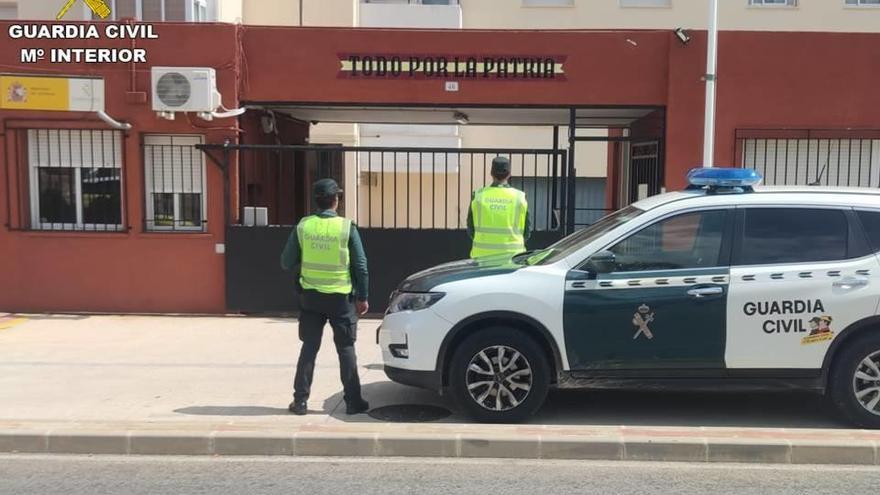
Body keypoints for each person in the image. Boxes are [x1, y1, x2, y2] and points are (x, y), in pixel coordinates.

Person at [280, 178, 370, 416]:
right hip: (341, 299)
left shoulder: (303, 226)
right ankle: (353, 401)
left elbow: (286, 261)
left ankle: (300, 402)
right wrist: (363, 297)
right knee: (346, 349)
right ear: (336, 200)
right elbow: (361, 266)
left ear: (316, 201)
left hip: (310, 298)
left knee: (309, 347)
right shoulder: (346, 227)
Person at [467, 156, 531, 258]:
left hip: (482, 259)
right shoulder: (520, 197)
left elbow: (471, 229)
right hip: (513, 258)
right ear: (509, 174)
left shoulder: (478, 196)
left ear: (491, 173)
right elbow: (527, 232)